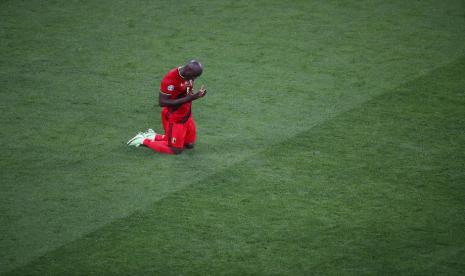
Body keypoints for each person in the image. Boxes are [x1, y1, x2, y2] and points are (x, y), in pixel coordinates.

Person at [126, 60, 207, 154]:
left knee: (189, 144)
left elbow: (185, 92)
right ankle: (142, 140)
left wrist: (197, 95)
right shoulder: (171, 79)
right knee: (175, 150)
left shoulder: (188, 75)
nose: (194, 78)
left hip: (187, 115)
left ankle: (152, 136)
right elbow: (162, 102)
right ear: (188, 70)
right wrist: (191, 98)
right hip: (176, 117)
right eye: (194, 76)